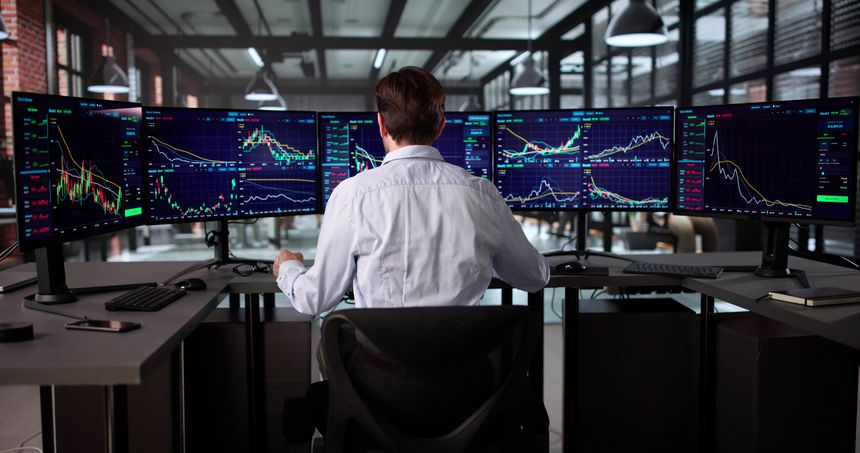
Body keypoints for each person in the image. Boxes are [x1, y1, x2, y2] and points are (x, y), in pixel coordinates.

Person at [273, 66, 549, 314]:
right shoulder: (483, 195)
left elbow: (314, 300)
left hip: (378, 366)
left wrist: (287, 267)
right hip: (463, 365)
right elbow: (534, 277)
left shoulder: (352, 195)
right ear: (441, 126)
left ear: (381, 124)